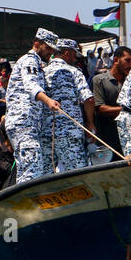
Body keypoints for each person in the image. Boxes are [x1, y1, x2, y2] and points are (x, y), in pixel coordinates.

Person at [5, 28, 62, 183]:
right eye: (48, 48)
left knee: (34, 168)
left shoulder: (36, 62)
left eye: (53, 49)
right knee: (31, 168)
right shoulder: (30, 60)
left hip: (31, 124)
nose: (50, 52)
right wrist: (48, 101)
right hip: (23, 122)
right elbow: (31, 85)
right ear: (37, 44)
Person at [44, 39, 96, 172]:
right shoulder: (74, 71)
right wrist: (90, 123)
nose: (76, 58)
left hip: (45, 132)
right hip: (70, 132)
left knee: (46, 176)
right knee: (78, 174)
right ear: (66, 53)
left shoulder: (42, 72)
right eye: (74, 55)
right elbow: (88, 99)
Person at [92, 45, 131, 163]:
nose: (130, 65)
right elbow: (100, 108)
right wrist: (127, 111)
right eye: (127, 60)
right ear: (116, 60)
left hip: (129, 139)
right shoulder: (99, 80)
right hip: (107, 139)